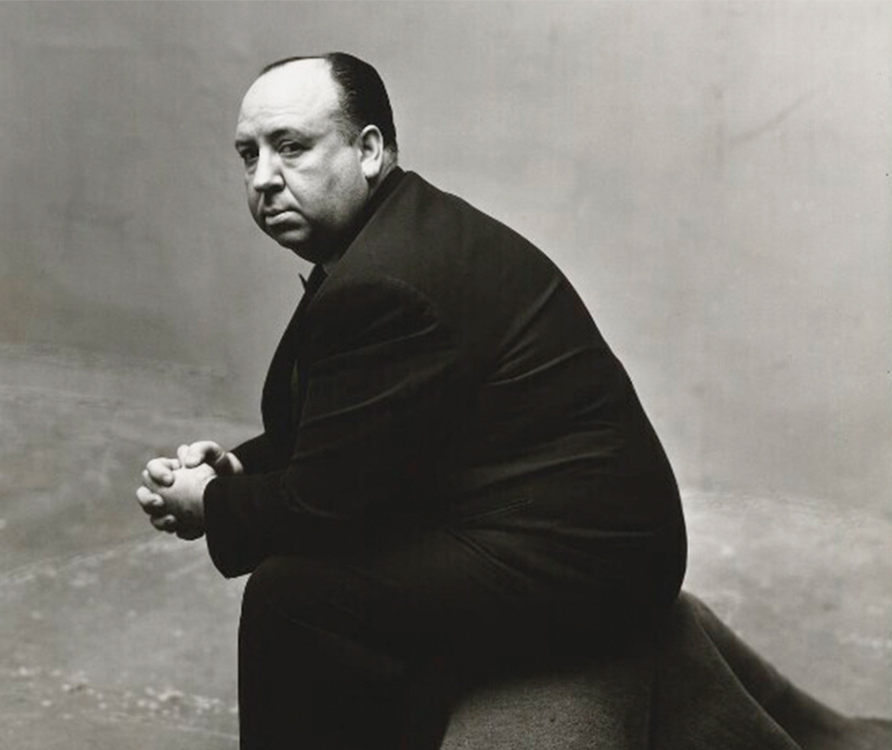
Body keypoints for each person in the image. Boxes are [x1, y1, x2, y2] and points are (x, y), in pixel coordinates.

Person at [135, 52, 687, 749]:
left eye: (292, 147)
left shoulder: (386, 280)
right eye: (249, 155)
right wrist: (239, 470)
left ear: (369, 150)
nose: (264, 179)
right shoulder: (396, 236)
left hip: (589, 572)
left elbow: (323, 508)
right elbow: (364, 430)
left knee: (293, 596)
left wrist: (206, 503)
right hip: (562, 530)